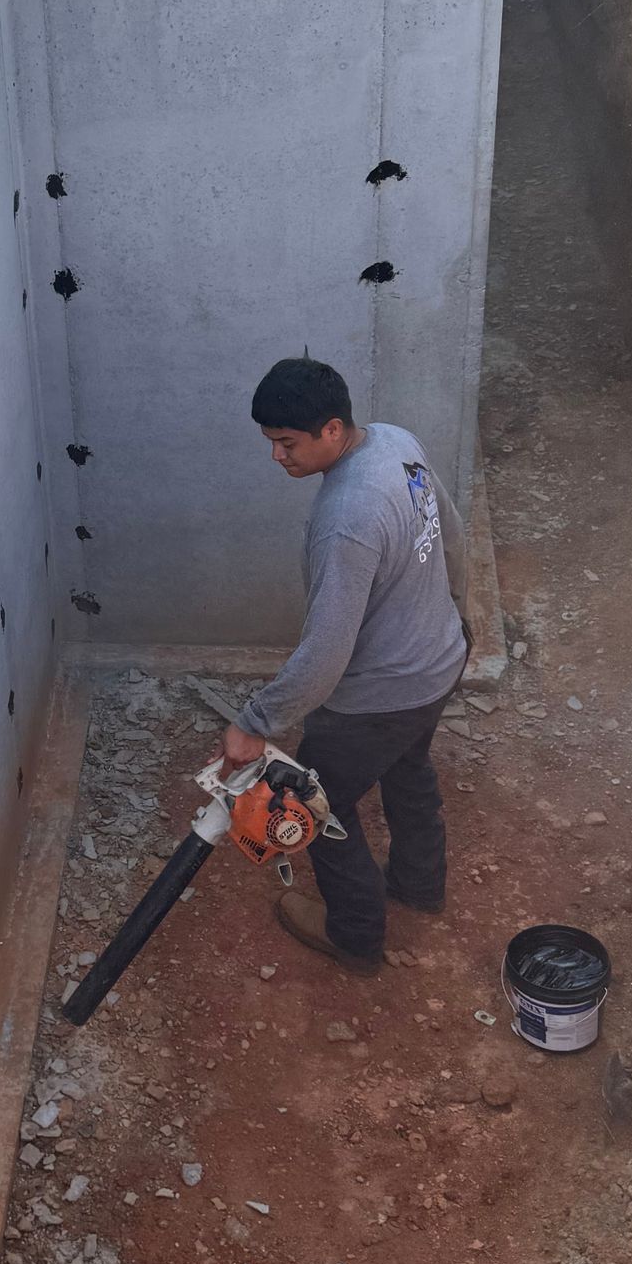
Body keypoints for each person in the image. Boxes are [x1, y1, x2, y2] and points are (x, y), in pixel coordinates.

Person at [221, 357, 469, 976]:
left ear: (332, 430)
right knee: (408, 766)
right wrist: (459, 614)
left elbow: (327, 651)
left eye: (287, 442)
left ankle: (355, 936)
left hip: (383, 692)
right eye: (272, 442)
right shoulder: (395, 442)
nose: (278, 457)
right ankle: (419, 883)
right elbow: (452, 531)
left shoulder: (346, 518)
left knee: (320, 805)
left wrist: (256, 722)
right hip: (438, 661)